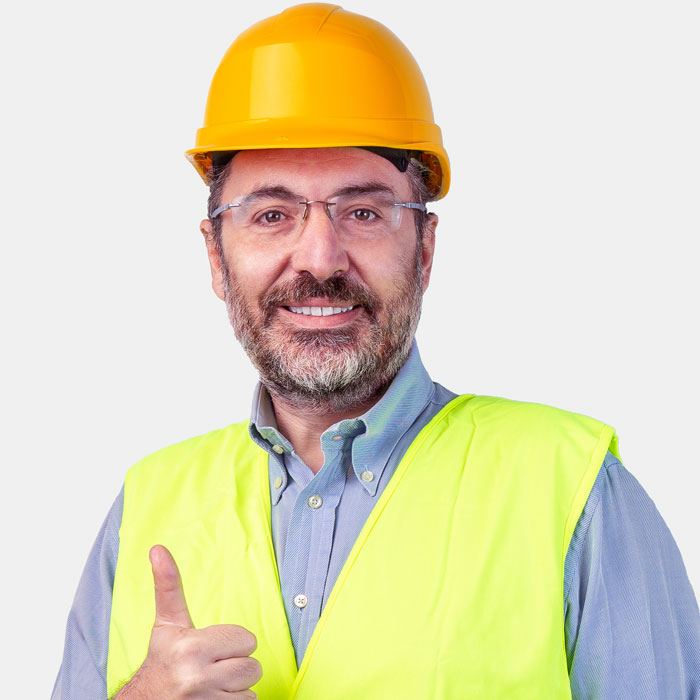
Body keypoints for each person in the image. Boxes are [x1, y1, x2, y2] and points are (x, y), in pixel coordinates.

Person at [52, 4, 700, 699]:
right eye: (272, 214)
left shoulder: (572, 488)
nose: (320, 257)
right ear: (216, 256)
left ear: (424, 250)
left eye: (363, 212)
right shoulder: (146, 502)